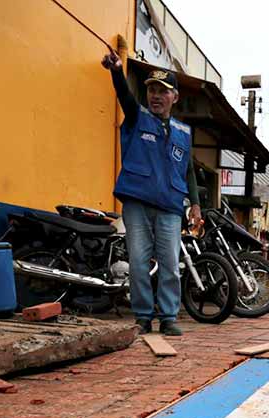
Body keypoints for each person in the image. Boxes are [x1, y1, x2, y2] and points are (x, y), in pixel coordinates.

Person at [101, 50, 202, 336]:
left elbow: (189, 171)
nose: (156, 96)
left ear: (175, 97)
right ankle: (143, 316)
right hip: (137, 202)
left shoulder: (183, 131)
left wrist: (195, 204)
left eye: (163, 91)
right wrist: (117, 71)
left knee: (170, 263)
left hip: (170, 205)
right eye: (152, 91)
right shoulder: (137, 117)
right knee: (139, 261)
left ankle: (168, 317)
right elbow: (124, 96)